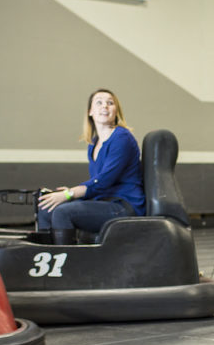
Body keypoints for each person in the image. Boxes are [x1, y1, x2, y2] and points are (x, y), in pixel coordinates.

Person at [36, 89, 145, 245]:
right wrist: (71, 193)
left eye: (110, 103)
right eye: (99, 102)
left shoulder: (122, 138)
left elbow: (103, 181)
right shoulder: (93, 143)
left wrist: (71, 193)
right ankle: (47, 259)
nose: (105, 106)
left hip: (123, 205)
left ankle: (69, 264)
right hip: (105, 201)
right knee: (46, 207)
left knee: (63, 212)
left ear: (116, 111)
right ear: (90, 112)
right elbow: (97, 184)